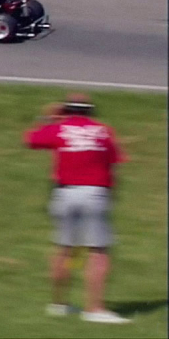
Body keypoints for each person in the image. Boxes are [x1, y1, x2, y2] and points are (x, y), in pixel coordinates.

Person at [24, 96, 130, 324]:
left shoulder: (58, 129)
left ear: (66, 111)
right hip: (95, 193)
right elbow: (114, 163)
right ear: (91, 112)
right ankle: (94, 309)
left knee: (64, 249)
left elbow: (30, 139)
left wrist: (48, 118)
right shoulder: (103, 131)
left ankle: (59, 304)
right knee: (98, 252)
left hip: (64, 194)